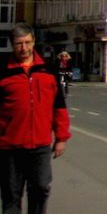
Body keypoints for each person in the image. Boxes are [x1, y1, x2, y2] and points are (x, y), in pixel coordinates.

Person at [0, 23, 71, 214]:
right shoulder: (4, 71)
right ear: (12, 45)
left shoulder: (48, 70)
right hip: (10, 147)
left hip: (39, 146)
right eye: (18, 44)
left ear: (34, 41)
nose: (24, 48)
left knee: (40, 189)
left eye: (27, 42)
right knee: (11, 195)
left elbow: (59, 107)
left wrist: (61, 138)